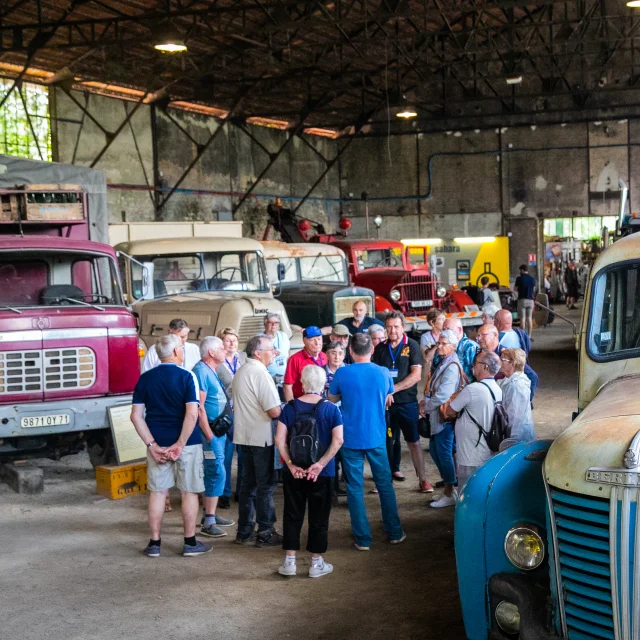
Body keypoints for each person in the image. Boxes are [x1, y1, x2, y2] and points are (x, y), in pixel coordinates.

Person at [130, 334, 212, 558]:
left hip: (157, 443)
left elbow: (136, 416)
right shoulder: (188, 376)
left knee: (157, 492)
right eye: (182, 349)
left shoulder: (145, 378)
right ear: (176, 352)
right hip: (187, 443)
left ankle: (154, 544)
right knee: (189, 492)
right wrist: (180, 444)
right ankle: (189, 543)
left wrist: (151, 445)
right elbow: (192, 414)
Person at [328, 333, 406, 550]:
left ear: (350, 352)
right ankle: (395, 532)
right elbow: (389, 395)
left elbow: (332, 399)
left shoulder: (342, 373)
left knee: (354, 487)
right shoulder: (382, 372)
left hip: (350, 437)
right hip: (376, 435)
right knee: (384, 485)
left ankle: (363, 539)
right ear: (372, 350)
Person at [275, 366, 344, 578]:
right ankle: (316, 563)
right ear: (324, 385)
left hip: (294, 471)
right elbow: (338, 440)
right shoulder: (331, 409)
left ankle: (290, 562)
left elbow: (279, 439)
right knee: (319, 516)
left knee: (292, 514)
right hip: (322, 473)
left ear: (302, 383)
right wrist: (321, 464)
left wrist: (290, 464)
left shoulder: (289, 408)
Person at [232, 334, 283, 546]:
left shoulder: (242, 370)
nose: (274, 353)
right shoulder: (260, 374)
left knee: (247, 485)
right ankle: (266, 532)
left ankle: (244, 531)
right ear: (257, 353)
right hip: (261, 438)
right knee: (265, 487)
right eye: (270, 349)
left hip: (244, 436)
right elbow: (274, 411)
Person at [373, 311, 432, 491]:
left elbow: (416, 376)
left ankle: (422, 480)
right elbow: (376, 375)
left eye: (396, 326)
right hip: (386, 404)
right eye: (389, 327)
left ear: (403, 327)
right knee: (385, 442)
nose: (392, 330)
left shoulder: (412, 345)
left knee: (413, 441)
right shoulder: (380, 348)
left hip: (407, 402)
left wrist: (393, 389)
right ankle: (384, 480)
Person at [192, 336, 235, 538]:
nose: (225, 349)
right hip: (210, 433)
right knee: (215, 471)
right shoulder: (201, 371)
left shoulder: (211, 370)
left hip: (217, 432)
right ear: (211, 352)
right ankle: (208, 521)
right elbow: (198, 406)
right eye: (221, 347)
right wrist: (208, 433)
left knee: (218, 471)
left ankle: (211, 513)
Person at [443, 352, 503, 490]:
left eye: (476, 363)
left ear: (485, 367)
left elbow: (449, 411)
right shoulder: (497, 388)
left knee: (467, 489)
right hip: (487, 448)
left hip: (470, 451)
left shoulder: (472, 389)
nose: (473, 366)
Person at [421, 330, 463, 508]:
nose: (439, 346)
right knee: (437, 451)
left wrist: (426, 407)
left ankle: (449, 491)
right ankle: (449, 489)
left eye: (443, 343)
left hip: (442, 417)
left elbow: (443, 395)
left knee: (443, 453)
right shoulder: (445, 361)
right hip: (437, 415)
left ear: (453, 346)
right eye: (438, 343)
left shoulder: (451, 366)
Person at [216, 327, 247, 509]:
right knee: (226, 454)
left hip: (244, 411)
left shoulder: (243, 358)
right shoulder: (218, 363)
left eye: (234, 339)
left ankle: (241, 490)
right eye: (228, 340)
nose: (232, 343)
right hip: (226, 411)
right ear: (221, 343)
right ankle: (224, 493)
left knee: (243, 453)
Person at [476, 323, 538, 400]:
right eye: (478, 335)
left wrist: (527, 400)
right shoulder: (478, 354)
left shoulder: (507, 356)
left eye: (483, 335)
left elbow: (532, 376)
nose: (478, 339)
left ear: (495, 335)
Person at [497, 348, 536, 444]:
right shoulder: (508, 380)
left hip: (518, 436)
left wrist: (511, 441)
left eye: (503, 360)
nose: (499, 361)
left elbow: (515, 416)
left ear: (513, 363)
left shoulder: (517, 385)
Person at [283, 326, 328, 401]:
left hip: (322, 402)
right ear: (304, 341)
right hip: (302, 403)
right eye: (312, 340)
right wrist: (292, 407)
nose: (317, 343)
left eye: (319, 339)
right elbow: (287, 386)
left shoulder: (325, 356)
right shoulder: (295, 359)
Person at [431, 317, 479, 383]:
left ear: (459, 329)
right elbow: (434, 368)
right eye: (443, 329)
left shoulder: (471, 346)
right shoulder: (440, 345)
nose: (445, 332)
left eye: (448, 329)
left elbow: (477, 373)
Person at [264, 313, 290, 386]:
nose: (273, 325)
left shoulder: (283, 336)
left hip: (284, 379)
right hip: (267, 380)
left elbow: (288, 353)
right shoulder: (259, 339)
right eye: (270, 322)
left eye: (276, 323)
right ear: (265, 324)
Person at [514, 264, 536, 338]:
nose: (520, 271)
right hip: (531, 301)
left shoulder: (519, 278)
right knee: (529, 318)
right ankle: (529, 336)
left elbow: (515, 289)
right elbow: (533, 289)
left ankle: (523, 336)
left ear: (522, 270)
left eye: (520, 270)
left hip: (522, 300)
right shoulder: (532, 279)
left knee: (522, 319)